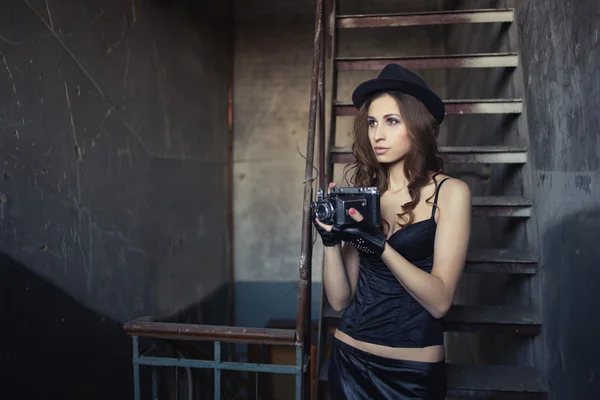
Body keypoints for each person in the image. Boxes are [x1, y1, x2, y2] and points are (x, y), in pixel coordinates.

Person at [313, 64, 472, 399]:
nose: (377, 135)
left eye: (391, 121)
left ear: (417, 126)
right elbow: (340, 299)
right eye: (372, 122)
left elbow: (441, 302)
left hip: (411, 373)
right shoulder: (367, 195)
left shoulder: (451, 193)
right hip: (349, 358)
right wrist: (330, 241)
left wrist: (382, 247)